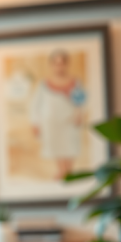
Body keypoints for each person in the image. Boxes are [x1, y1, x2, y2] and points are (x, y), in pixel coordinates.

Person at [30, 49, 87, 179]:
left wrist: (79, 114)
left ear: (67, 64)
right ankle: (61, 170)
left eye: (62, 63)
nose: (59, 67)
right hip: (51, 122)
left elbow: (80, 101)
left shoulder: (76, 82)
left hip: (69, 120)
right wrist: (35, 123)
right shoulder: (44, 84)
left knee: (70, 144)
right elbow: (35, 105)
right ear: (51, 65)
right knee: (57, 146)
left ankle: (69, 171)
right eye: (56, 63)